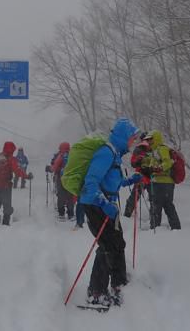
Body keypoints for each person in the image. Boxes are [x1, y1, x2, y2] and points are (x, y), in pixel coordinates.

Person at [80, 118, 142, 307]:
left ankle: (119, 282)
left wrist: (131, 180)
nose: (134, 142)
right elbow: (91, 182)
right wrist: (104, 203)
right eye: (132, 138)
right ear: (123, 137)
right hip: (96, 204)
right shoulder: (105, 153)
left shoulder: (115, 155)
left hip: (108, 205)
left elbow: (112, 182)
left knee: (117, 243)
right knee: (107, 246)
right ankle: (96, 292)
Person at [141, 130, 181, 230]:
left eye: (151, 139)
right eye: (147, 140)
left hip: (162, 182)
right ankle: (175, 228)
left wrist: (157, 169)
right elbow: (153, 165)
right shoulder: (155, 151)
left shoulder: (161, 149)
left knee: (156, 206)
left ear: (156, 139)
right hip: (163, 182)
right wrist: (147, 168)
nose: (149, 142)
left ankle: (155, 229)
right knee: (167, 206)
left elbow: (167, 162)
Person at [0, 141, 33, 226]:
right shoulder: (11, 159)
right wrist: (27, 176)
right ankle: (5, 223)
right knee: (7, 205)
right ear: (12, 150)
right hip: (5, 185)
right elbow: (17, 171)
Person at [123, 132, 152, 218]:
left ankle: (127, 215)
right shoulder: (147, 149)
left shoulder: (141, 149)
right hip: (148, 178)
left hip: (142, 177)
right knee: (153, 199)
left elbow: (133, 163)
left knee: (134, 197)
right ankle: (154, 219)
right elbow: (134, 163)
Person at [51, 142, 73, 221]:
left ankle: (61, 214)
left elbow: (55, 166)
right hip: (70, 179)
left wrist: (51, 169)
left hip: (61, 178)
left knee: (61, 195)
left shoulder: (60, 155)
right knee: (70, 196)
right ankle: (71, 214)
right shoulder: (72, 155)